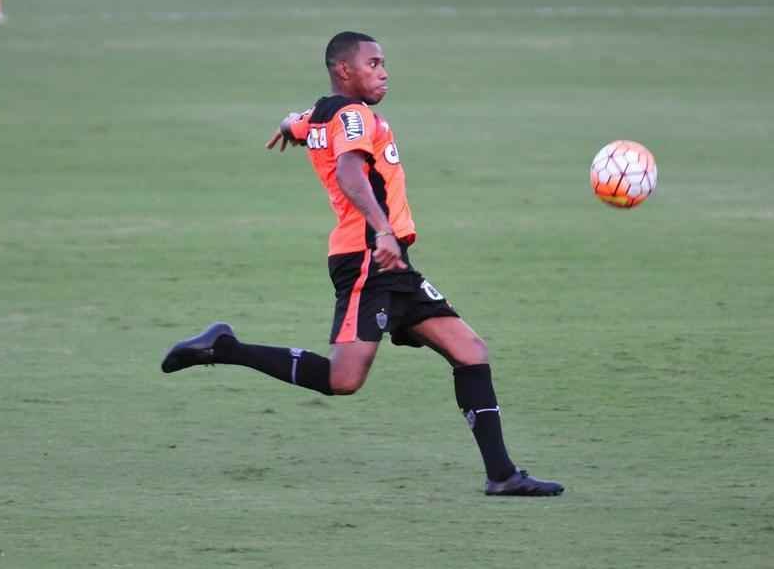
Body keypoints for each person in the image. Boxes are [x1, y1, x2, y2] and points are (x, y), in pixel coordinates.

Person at [161, 30, 563, 496]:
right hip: (368, 257)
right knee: (343, 379)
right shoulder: (352, 116)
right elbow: (352, 172)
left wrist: (291, 126)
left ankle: (502, 475)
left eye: (383, 62)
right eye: (373, 63)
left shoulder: (326, 114)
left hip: (394, 265)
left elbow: (301, 121)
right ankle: (226, 348)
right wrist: (384, 230)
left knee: (470, 351)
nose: (384, 71)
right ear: (343, 71)